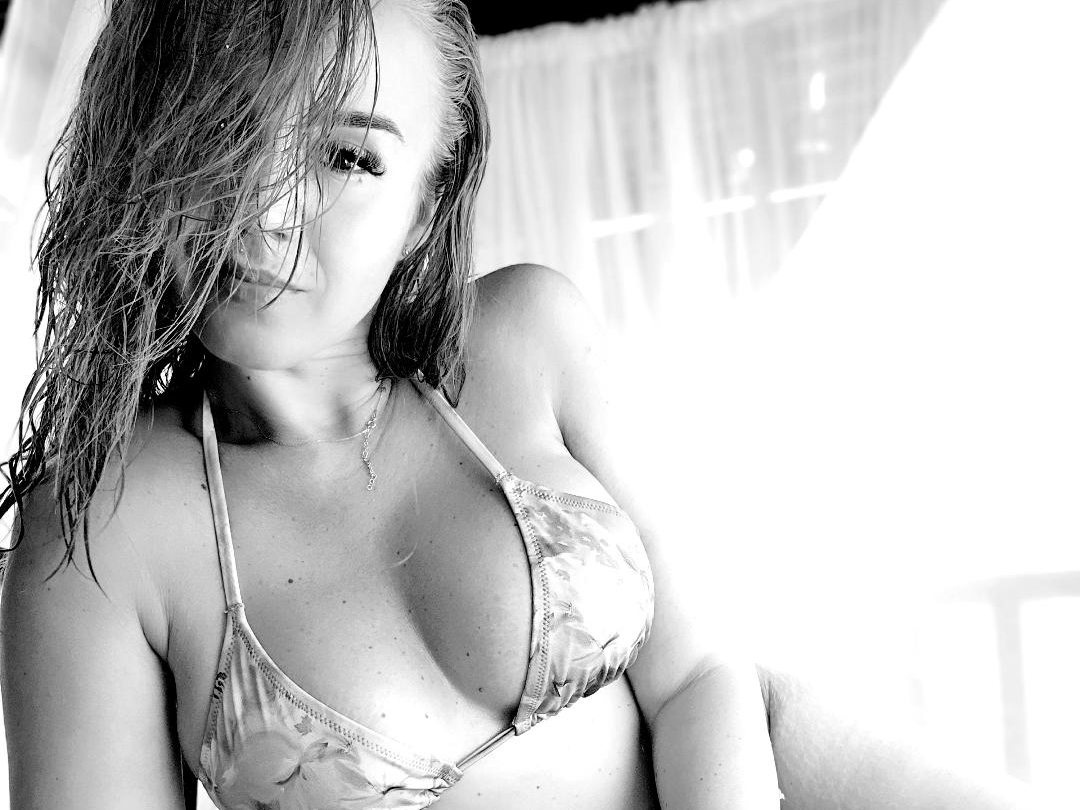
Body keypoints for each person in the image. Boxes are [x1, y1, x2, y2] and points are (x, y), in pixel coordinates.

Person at [0, 1, 1045, 809]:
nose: (265, 209)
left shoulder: (527, 340)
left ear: (425, 205)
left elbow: (701, 676)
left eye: (349, 156)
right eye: (222, 130)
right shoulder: (101, 524)